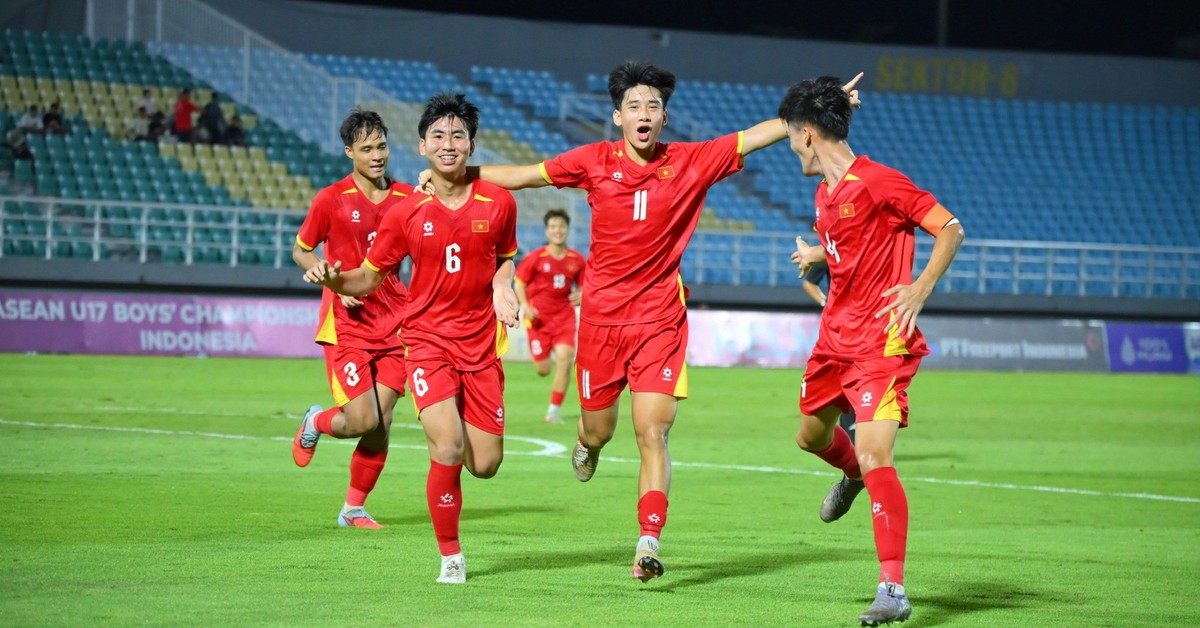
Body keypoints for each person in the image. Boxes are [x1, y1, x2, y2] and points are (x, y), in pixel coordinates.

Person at [442, 61, 860, 583]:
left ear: (664, 117)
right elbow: (526, 176)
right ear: (618, 116)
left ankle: (647, 542)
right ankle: (587, 444)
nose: (644, 114)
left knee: (653, 432)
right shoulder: (594, 161)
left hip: (660, 322)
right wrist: (455, 175)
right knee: (599, 429)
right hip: (599, 323)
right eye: (634, 106)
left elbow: (756, 137)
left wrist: (817, 109)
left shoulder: (690, 161)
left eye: (653, 106)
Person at [304, 92, 519, 585]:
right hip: (425, 342)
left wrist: (503, 283)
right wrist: (336, 279)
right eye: (438, 136)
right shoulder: (404, 215)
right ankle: (451, 557)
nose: (449, 144)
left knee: (484, 464)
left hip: (481, 346)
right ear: (422, 147)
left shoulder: (500, 203)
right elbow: (367, 277)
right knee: (445, 446)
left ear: (470, 145)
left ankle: (457, 452)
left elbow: (506, 255)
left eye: (458, 135)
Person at [782, 75, 964, 625]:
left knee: (874, 451)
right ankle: (853, 477)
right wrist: (820, 252)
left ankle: (893, 588)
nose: (791, 147)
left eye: (792, 136)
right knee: (809, 435)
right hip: (834, 338)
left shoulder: (882, 182)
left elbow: (950, 228)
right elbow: (851, 246)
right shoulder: (824, 194)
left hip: (882, 343)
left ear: (807, 135)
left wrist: (921, 286)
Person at [290, 108, 413, 530]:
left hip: (395, 321)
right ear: (349, 153)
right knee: (361, 420)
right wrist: (320, 268)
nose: (377, 155)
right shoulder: (331, 200)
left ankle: (353, 508)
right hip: (347, 321)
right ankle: (317, 421)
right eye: (367, 149)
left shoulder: (408, 198)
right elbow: (301, 248)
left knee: (382, 423)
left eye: (381, 146)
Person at [514, 208, 585, 424]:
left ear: (567, 230)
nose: (558, 230)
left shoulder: (577, 260)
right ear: (547, 231)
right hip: (538, 320)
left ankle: (553, 412)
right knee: (543, 370)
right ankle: (544, 357)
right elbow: (519, 283)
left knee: (565, 359)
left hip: (564, 317)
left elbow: (585, 286)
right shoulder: (535, 258)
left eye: (561, 226)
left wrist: (582, 294)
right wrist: (525, 305)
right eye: (553, 226)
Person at [801, 258, 858, 445]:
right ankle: (851, 439)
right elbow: (809, 283)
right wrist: (826, 303)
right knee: (844, 378)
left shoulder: (869, 249)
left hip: (867, 321)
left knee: (860, 380)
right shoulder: (830, 248)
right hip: (839, 327)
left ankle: (860, 440)